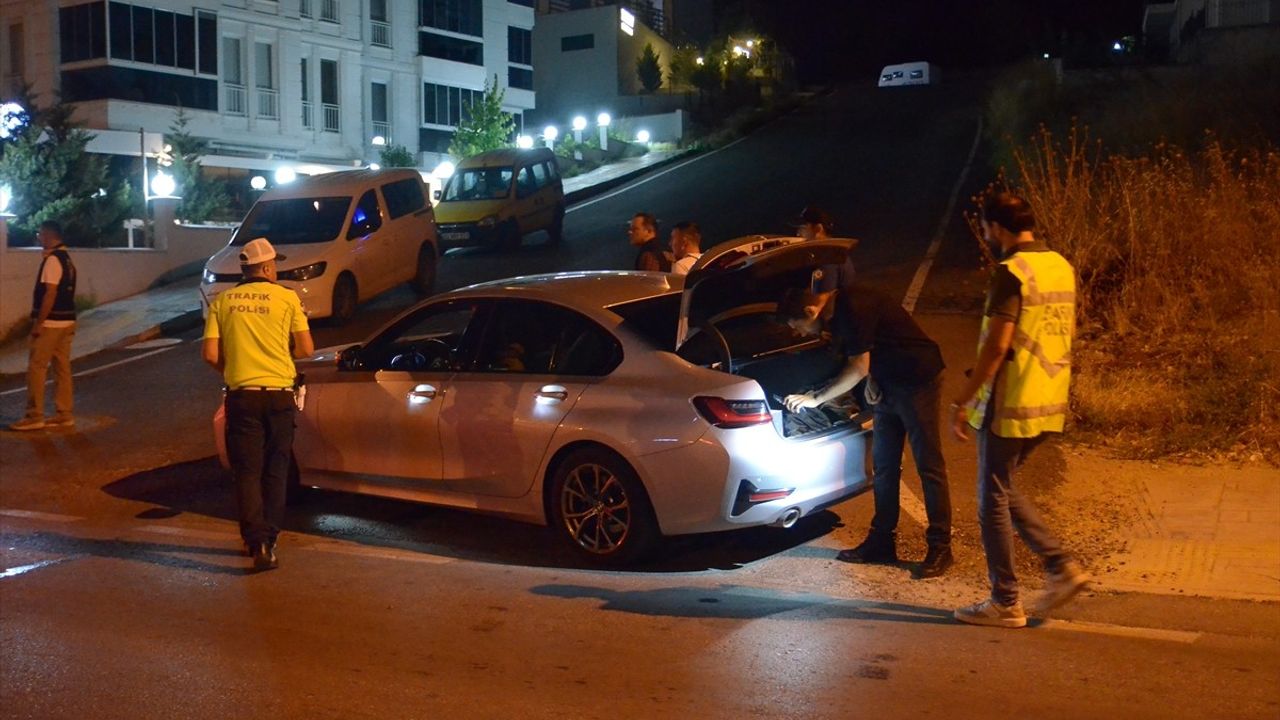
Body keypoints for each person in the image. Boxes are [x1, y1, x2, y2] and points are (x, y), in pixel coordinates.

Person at [949, 192, 1089, 628]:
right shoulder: (1060, 265)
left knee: (991, 496)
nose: (987, 236)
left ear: (998, 228)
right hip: (1050, 397)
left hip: (1012, 400)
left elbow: (998, 344)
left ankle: (1006, 600)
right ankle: (1059, 568)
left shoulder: (1010, 272)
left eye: (987, 228)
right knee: (1005, 488)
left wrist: (965, 398)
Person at [779, 284, 953, 579]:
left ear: (811, 311)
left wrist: (816, 399)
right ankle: (881, 541)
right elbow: (871, 349)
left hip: (917, 381)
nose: (801, 334)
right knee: (884, 466)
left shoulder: (853, 306)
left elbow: (857, 366)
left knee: (929, 466)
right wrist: (874, 377)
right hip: (888, 382)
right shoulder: (838, 312)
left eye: (799, 327)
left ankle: (941, 547)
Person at [202, 237, 314, 572]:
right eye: (274, 265)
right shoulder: (287, 298)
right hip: (279, 394)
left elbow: (209, 354)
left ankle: (256, 543)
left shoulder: (223, 301)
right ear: (266, 268)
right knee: (276, 470)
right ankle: (272, 537)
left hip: (242, 396)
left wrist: (234, 369)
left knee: (247, 472)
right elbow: (306, 349)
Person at [10, 221, 79, 431]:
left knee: (37, 368)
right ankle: (64, 413)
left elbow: (50, 293)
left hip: (52, 322)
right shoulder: (67, 260)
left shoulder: (52, 261)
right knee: (62, 367)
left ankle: (34, 415)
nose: (38, 237)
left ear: (49, 236)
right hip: (68, 320)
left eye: (40, 233)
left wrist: (39, 323)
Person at [794, 205, 856, 296]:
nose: (798, 233)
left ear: (818, 228)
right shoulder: (833, 252)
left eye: (803, 228)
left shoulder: (827, 258)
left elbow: (818, 302)